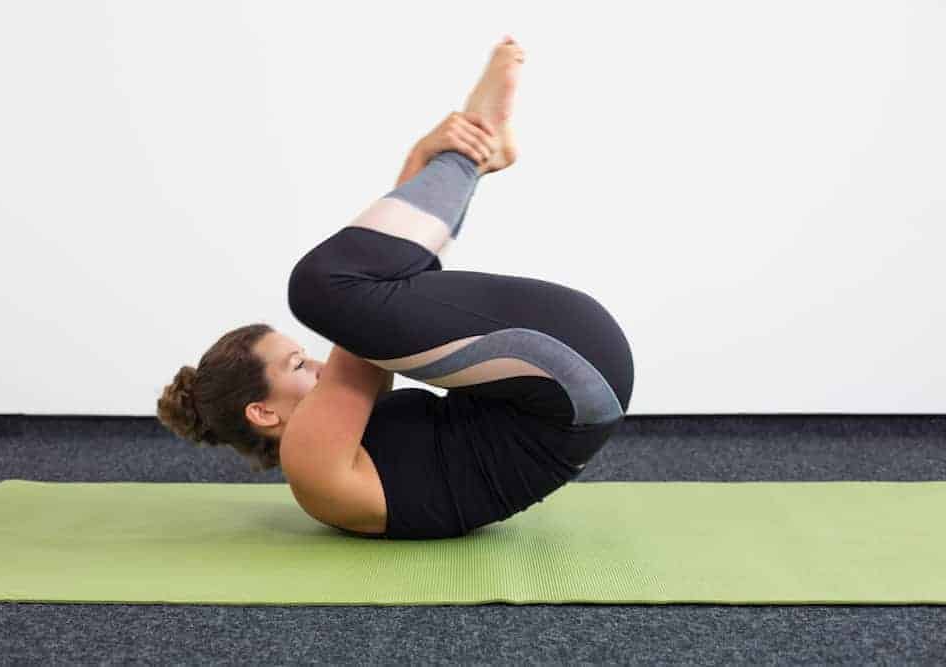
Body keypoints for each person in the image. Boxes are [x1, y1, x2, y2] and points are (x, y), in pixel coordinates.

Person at [158, 35, 633, 539]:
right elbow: (365, 305)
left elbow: (393, 285)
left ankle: (474, 151)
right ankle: (471, 152)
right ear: (262, 411)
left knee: (339, 292)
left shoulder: (343, 437)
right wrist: (422, 156)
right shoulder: (308, 461)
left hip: (569, 373)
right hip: (568, 375)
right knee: (317, 289)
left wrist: (424, 159)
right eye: (297, 365)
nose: (316, 361)